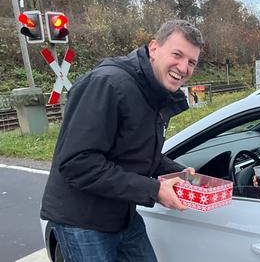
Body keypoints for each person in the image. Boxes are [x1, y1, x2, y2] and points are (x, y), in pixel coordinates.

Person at [40, 20, 203, 262]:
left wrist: (179, 173)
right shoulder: (108, 84)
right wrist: (154, 190)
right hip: (82, 221)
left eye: (191, 62)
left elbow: (138, 152)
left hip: (121, 213)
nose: (183, 67)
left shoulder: (154, 92)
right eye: (177, 55)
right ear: (154, 48)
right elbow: (77, 163)